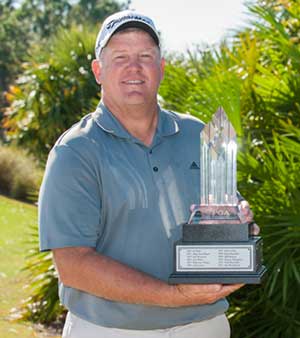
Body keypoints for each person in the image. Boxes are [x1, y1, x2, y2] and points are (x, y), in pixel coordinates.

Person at [39, 10, 258, 338]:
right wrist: (173, 297)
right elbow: (73, 264)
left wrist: (240, 224)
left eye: (145, 56)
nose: (134, 67)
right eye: (120, 57)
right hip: (109, 330)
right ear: (98, 71)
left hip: (204, 327)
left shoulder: (200, 134)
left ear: (161, 68)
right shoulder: (75, 152)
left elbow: (228, 208)